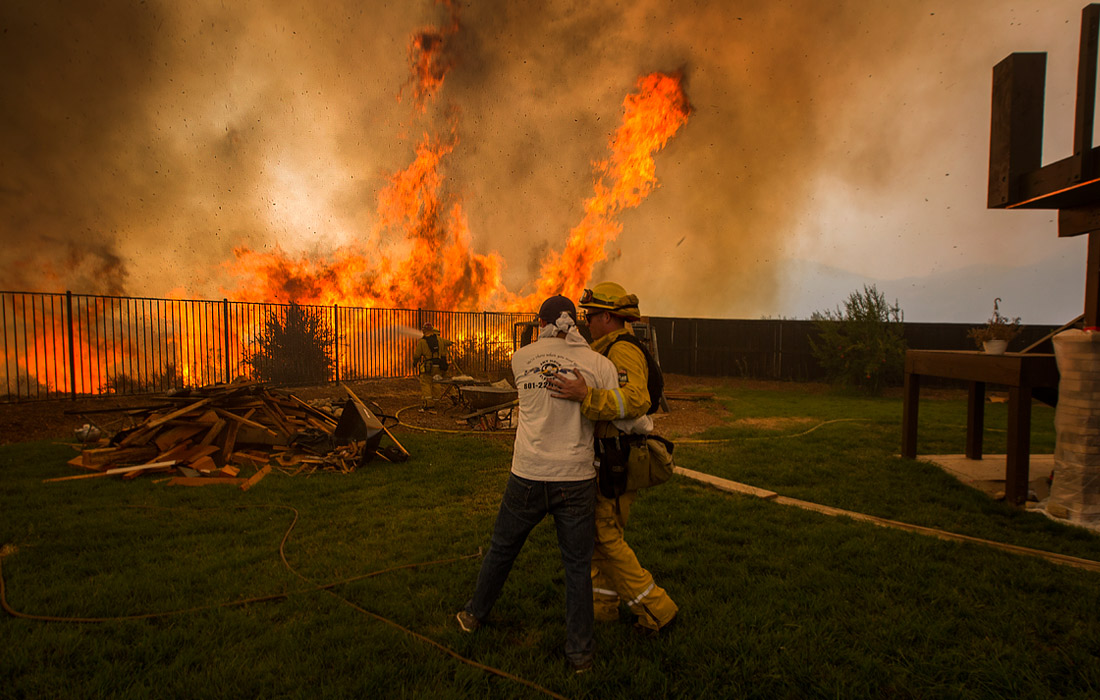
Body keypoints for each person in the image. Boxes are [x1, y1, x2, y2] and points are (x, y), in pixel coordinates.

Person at [456, 295, 620, 673]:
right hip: (576, 478)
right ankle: (580, 656)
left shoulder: (520, 358)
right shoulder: (598, 363)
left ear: (539, 321)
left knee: (501, 549)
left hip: (527, 473)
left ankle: (472, 615)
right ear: (575, 322)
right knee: (577, 567)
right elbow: (616, 408)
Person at [548, 281, 679, 636]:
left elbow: (633, 400)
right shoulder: (608, 348)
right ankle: (603, 607)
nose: (587, 321)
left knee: (605, 536)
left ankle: (657, 609)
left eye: (591, 315)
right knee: (597, 536)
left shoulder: (622, 351)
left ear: (608, 316)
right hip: (610, 456)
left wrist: (585, 396)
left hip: (618, 456)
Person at [412, 323, 453, 410]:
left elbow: (417, 355)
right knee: (436, 382)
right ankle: (437, 402)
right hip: (438, 366)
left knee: (426, 382)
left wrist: (415, 362)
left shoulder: (422, 341)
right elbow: (449, 342)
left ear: (424, 330)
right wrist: (451, 343)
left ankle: (428, 403)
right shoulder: (440, 339)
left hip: (428, 366)